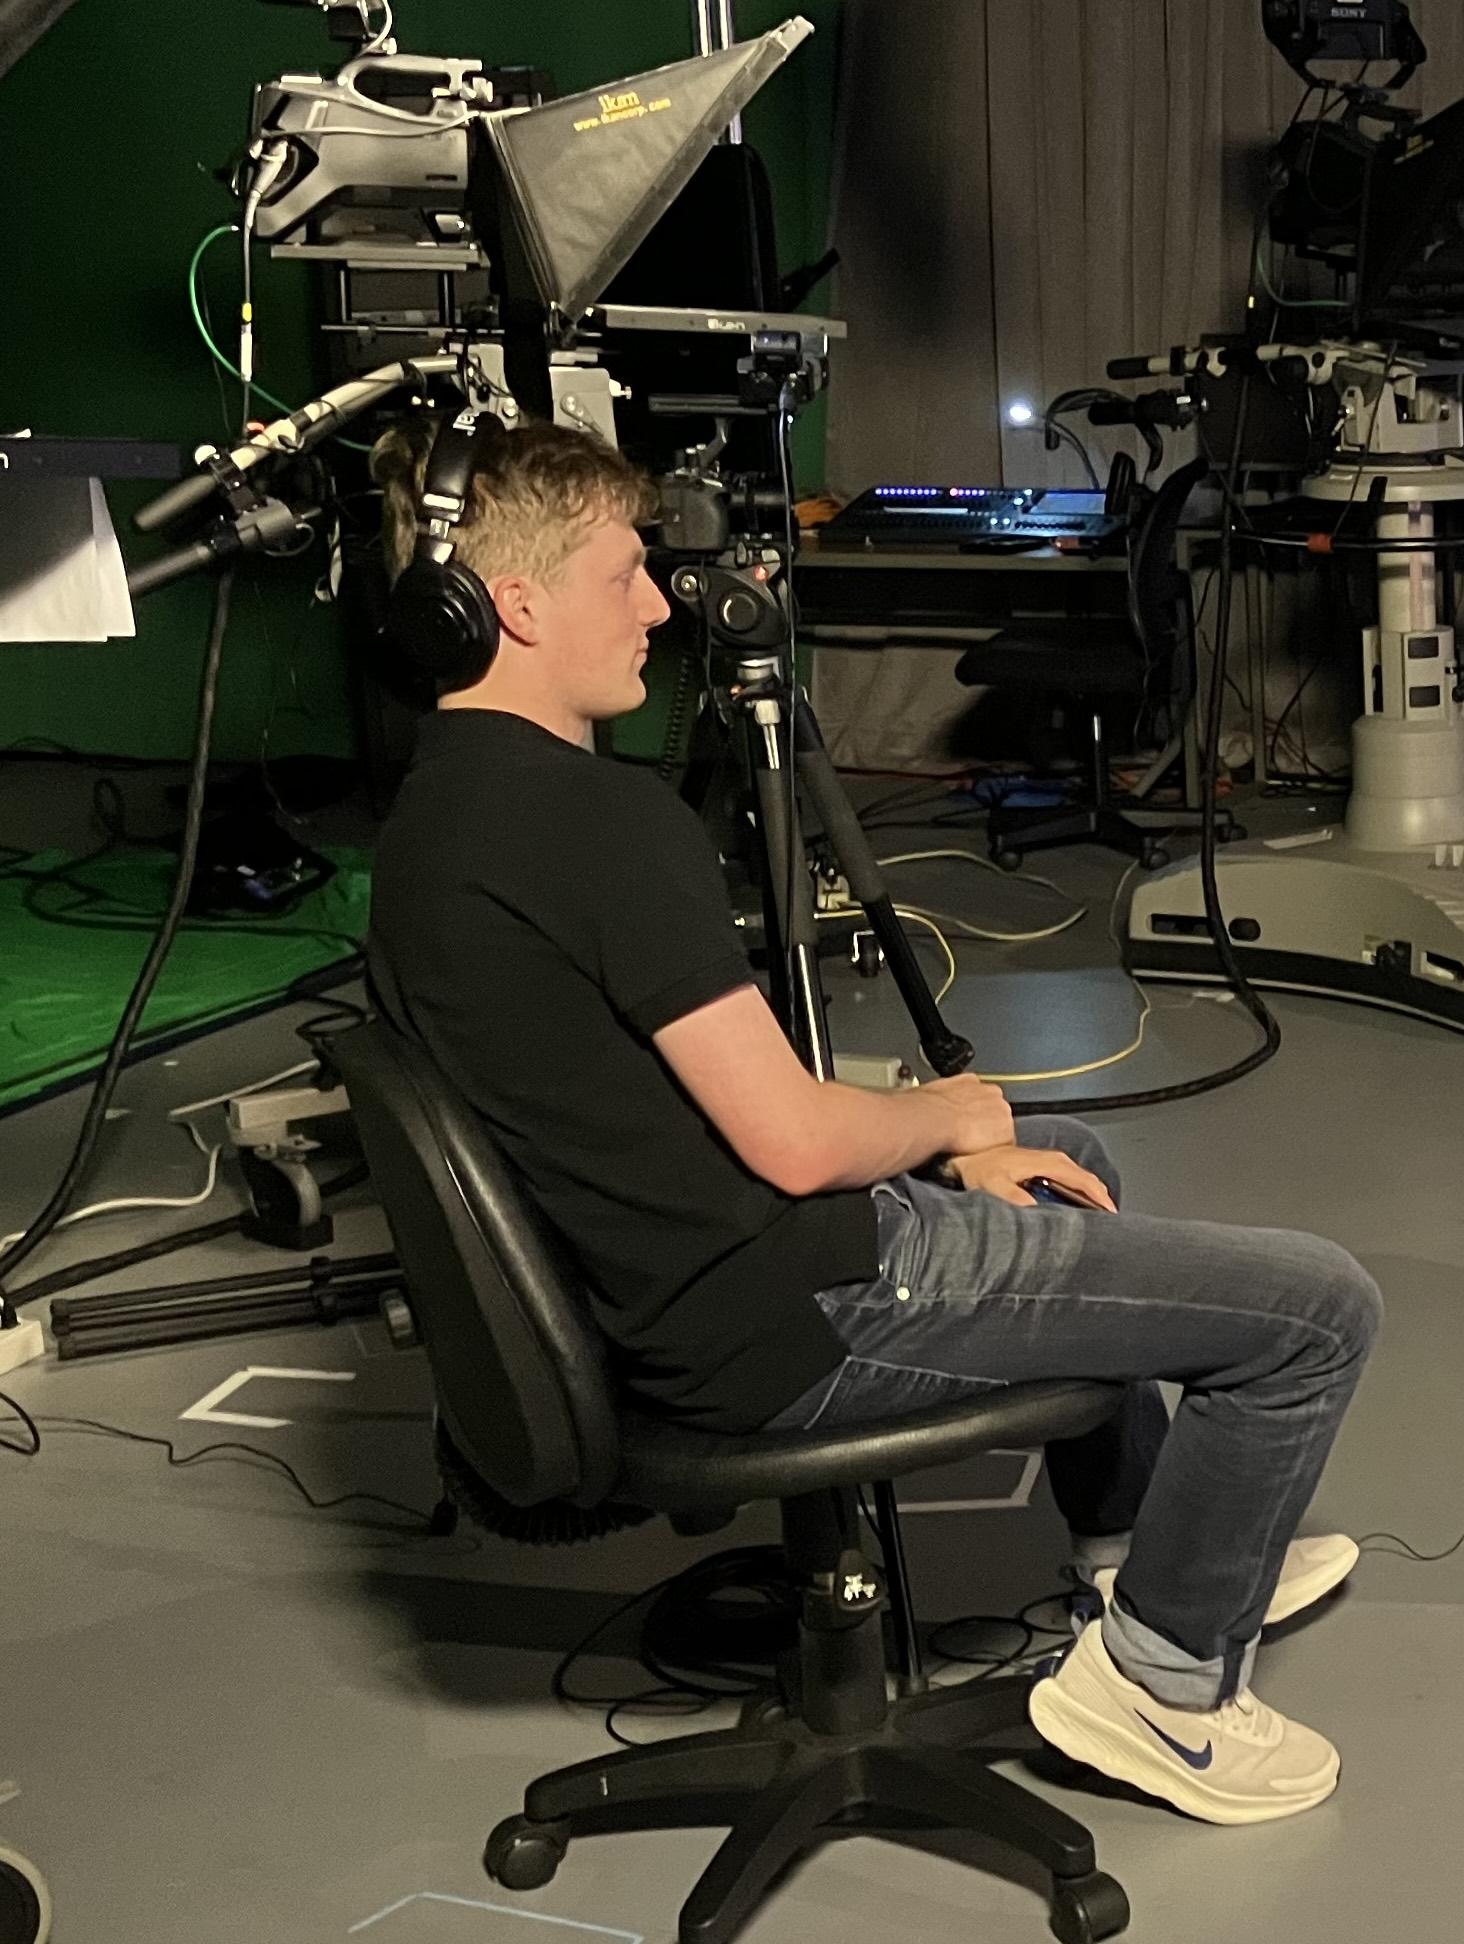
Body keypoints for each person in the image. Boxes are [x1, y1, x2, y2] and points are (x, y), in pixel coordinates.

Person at [365, 419, 1381, 1825]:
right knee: (1317, 1312)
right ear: (515, 604)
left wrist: (949, 1138)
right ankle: (1162, 1686)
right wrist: (949, 1112)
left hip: (656, 1300)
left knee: (1067, 1162)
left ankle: (1131, 1546)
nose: (663, 605)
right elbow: (792, 1145)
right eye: (625, 576)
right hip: (792, 1310)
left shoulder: (432, 820)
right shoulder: (598, 823)